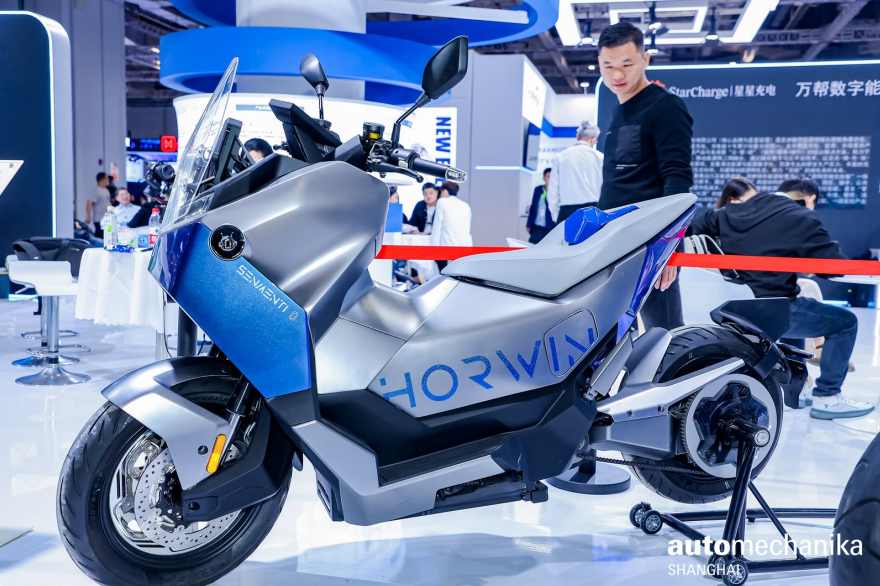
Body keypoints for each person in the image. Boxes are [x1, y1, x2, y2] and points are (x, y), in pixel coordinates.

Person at [689, 185, 870, 420]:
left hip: (732, 306)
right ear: (810, 199)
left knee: (796, 306)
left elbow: (690, 230)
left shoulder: (728, 212)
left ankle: (799, 390)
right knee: (846, 322)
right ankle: (827, 396)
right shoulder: (802, 216)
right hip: (773, 309)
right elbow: (834, 266)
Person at [596, 21, 694, 332]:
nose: (617, 75)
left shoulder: (665, 106)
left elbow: (677, 179)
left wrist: (668, 247)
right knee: (612, 335)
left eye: (627, 64)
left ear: (645, 59)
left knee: (663, 334)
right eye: (608, 65)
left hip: (651, 244)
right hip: (614, 240)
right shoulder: (618, 109)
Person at [547, 121, 604, 224]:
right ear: (593, 139)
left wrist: (556, 216)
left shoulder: (561, 157)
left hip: (566, 212)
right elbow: (603, 186)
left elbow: (552, 191)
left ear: (577, 136)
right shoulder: (600, 157)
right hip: (593, 211)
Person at [431, 181, 472, 270]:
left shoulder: (442, 202)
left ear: (445, 191)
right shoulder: (465, 205)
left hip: (448, 245)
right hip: (466, 245)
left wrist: (434, 247)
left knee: (444, 272)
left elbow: (437, 226)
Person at [526, 168, 556, 243]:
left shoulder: (556, 192)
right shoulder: (538, 189)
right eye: (548, 176)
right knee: (532, 246)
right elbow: (533, 208)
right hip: (537, 227)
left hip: (550, 227)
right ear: (544, 178)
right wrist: (528, 224)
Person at [86, 172, 112, 236]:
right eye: (107, 178)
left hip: (107, 217)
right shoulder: (96, 190)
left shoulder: (106, 190)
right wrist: (88, 216)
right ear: (102, 180)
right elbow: (89, 202)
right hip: (99, 218)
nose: (108, 180)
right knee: (100, 235)